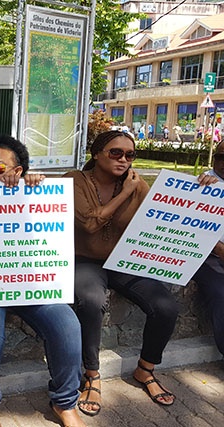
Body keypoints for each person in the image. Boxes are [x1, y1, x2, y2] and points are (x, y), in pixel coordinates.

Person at [63, 131, 216, 417]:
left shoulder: (137, 185)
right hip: (83, 261)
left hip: (124, 261)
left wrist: (205, 187)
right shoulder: (75, 180)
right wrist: (125, 194)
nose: (123, 159)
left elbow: (168, 211)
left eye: (129, 155)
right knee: (91, 300)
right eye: (115, 153)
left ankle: (145, 370)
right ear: (97, 154)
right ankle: (92, 374)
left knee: (166, 306)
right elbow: (90, 224)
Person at [0, 135, 85, 427]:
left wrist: (38, 189)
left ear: (18, 171)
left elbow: (55, 231)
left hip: (25, 279)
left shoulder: (36, 193)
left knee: (66, 323)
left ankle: (65, 402)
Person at [192, 140, 224, 356]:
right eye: (221, 156)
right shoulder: (204, 184)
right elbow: (189, 227)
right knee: (221, 293)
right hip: (207, 256)